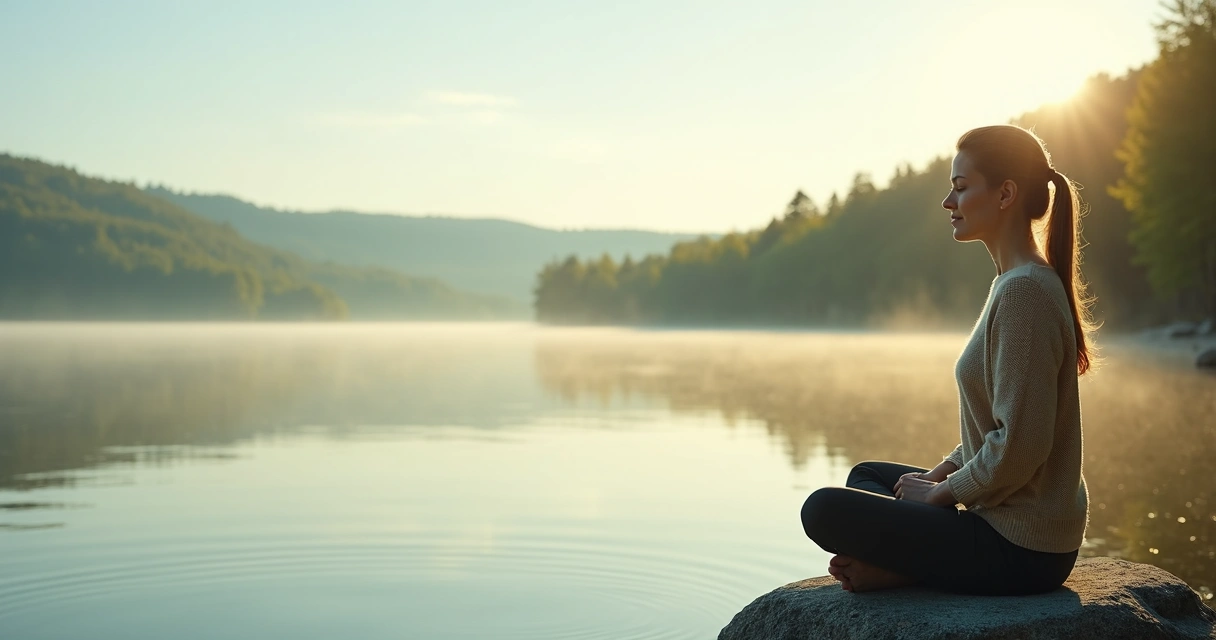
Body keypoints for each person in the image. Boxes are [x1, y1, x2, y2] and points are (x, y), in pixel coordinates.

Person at [799, 124, 1098, 595]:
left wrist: (941, 493)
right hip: (1000, 523)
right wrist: (937, 475)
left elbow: (1020, 445)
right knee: (869, 476)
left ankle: (898, 568)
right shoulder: (1014, 283)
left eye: (960, 188)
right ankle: (902, 562)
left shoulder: (1025, 293)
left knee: (822, 509)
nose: (947, 202)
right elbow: (994, 427)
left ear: (1005, 195)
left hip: (1020, 550)